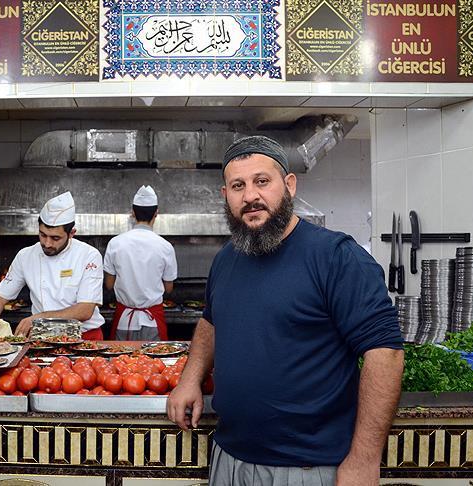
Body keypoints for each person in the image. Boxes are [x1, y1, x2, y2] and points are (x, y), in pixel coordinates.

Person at [166, 136, 404, 486]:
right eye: (238, 186)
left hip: (307, 467)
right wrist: (190, 379)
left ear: (289, 185)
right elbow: (211, 323)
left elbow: (385, 353)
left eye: (262, 181)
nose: (250, 196)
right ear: (225, 195)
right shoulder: (226, 259)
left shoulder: (336, 256)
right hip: (229, 457)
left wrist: (364, 459)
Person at [0, 191, 105, 339]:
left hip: (84, 337)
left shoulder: (89, 255)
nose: (47, 243)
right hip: (42, 338)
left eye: (55, 238)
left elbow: (85, 310)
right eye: (43, 235)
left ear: (72, 233)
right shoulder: (25, 256)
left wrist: (39, 318)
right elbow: (0, 297)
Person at [103, 185, 177, 341]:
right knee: (153, 357)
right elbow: (168, 288)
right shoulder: (165, 246)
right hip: (153, 322)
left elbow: (109, 285)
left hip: (124, 321)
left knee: (123, 356)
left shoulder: (115, 243)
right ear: (156, 213)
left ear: (133, 212)